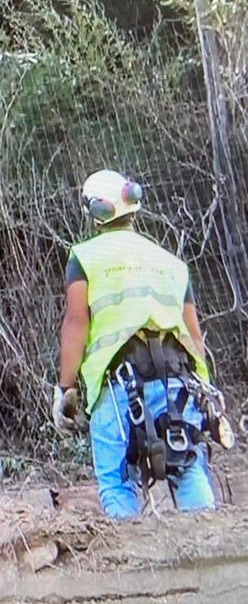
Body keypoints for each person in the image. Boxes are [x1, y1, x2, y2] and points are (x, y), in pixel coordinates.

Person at [53, 169, 223, 519]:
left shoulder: (85, 257)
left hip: (119, 388)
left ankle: (133, 560)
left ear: (95, 212)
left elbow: (76, 323)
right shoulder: (171, 263)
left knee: (117, 481)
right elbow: (193, 332)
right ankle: (211, 548)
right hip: (178, 381)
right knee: (187, 465)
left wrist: (65, 388)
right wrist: (204, 387)